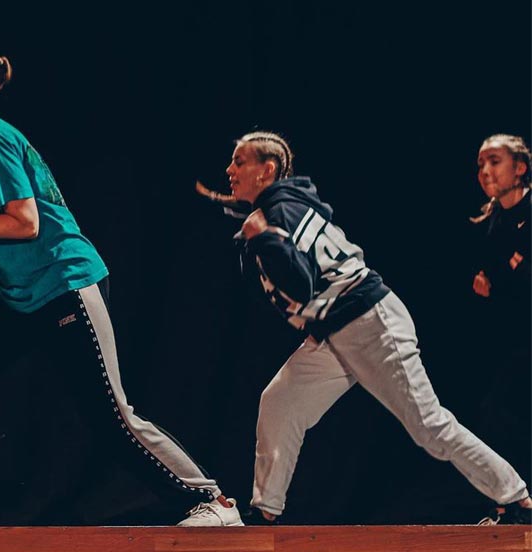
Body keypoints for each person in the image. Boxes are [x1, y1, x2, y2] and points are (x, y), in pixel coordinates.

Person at [0, 42, 242, 528]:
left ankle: (211, 502)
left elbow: (24, 223)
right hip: (19, 295)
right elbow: (7, 231)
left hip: (65, 285)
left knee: (111, 418)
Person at [218, 130, 531, 525]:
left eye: (239, 161)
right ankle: (266, 512)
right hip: (338, 328)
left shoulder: (278, 214)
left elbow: (300, 283)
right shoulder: (282, 206)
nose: (230, 169)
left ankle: (517, 499)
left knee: (429, 426)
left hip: (369, 321)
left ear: (267, 170)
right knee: (281, 401)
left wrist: (262, 238)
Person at [469, 134, 531, 522]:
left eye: (494, 161)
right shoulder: (490, 221)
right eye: (480, 164)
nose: (485, 171)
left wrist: (509, 276)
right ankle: (507, 505)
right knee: (497, 416)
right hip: (514, 338)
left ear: (520, 168)